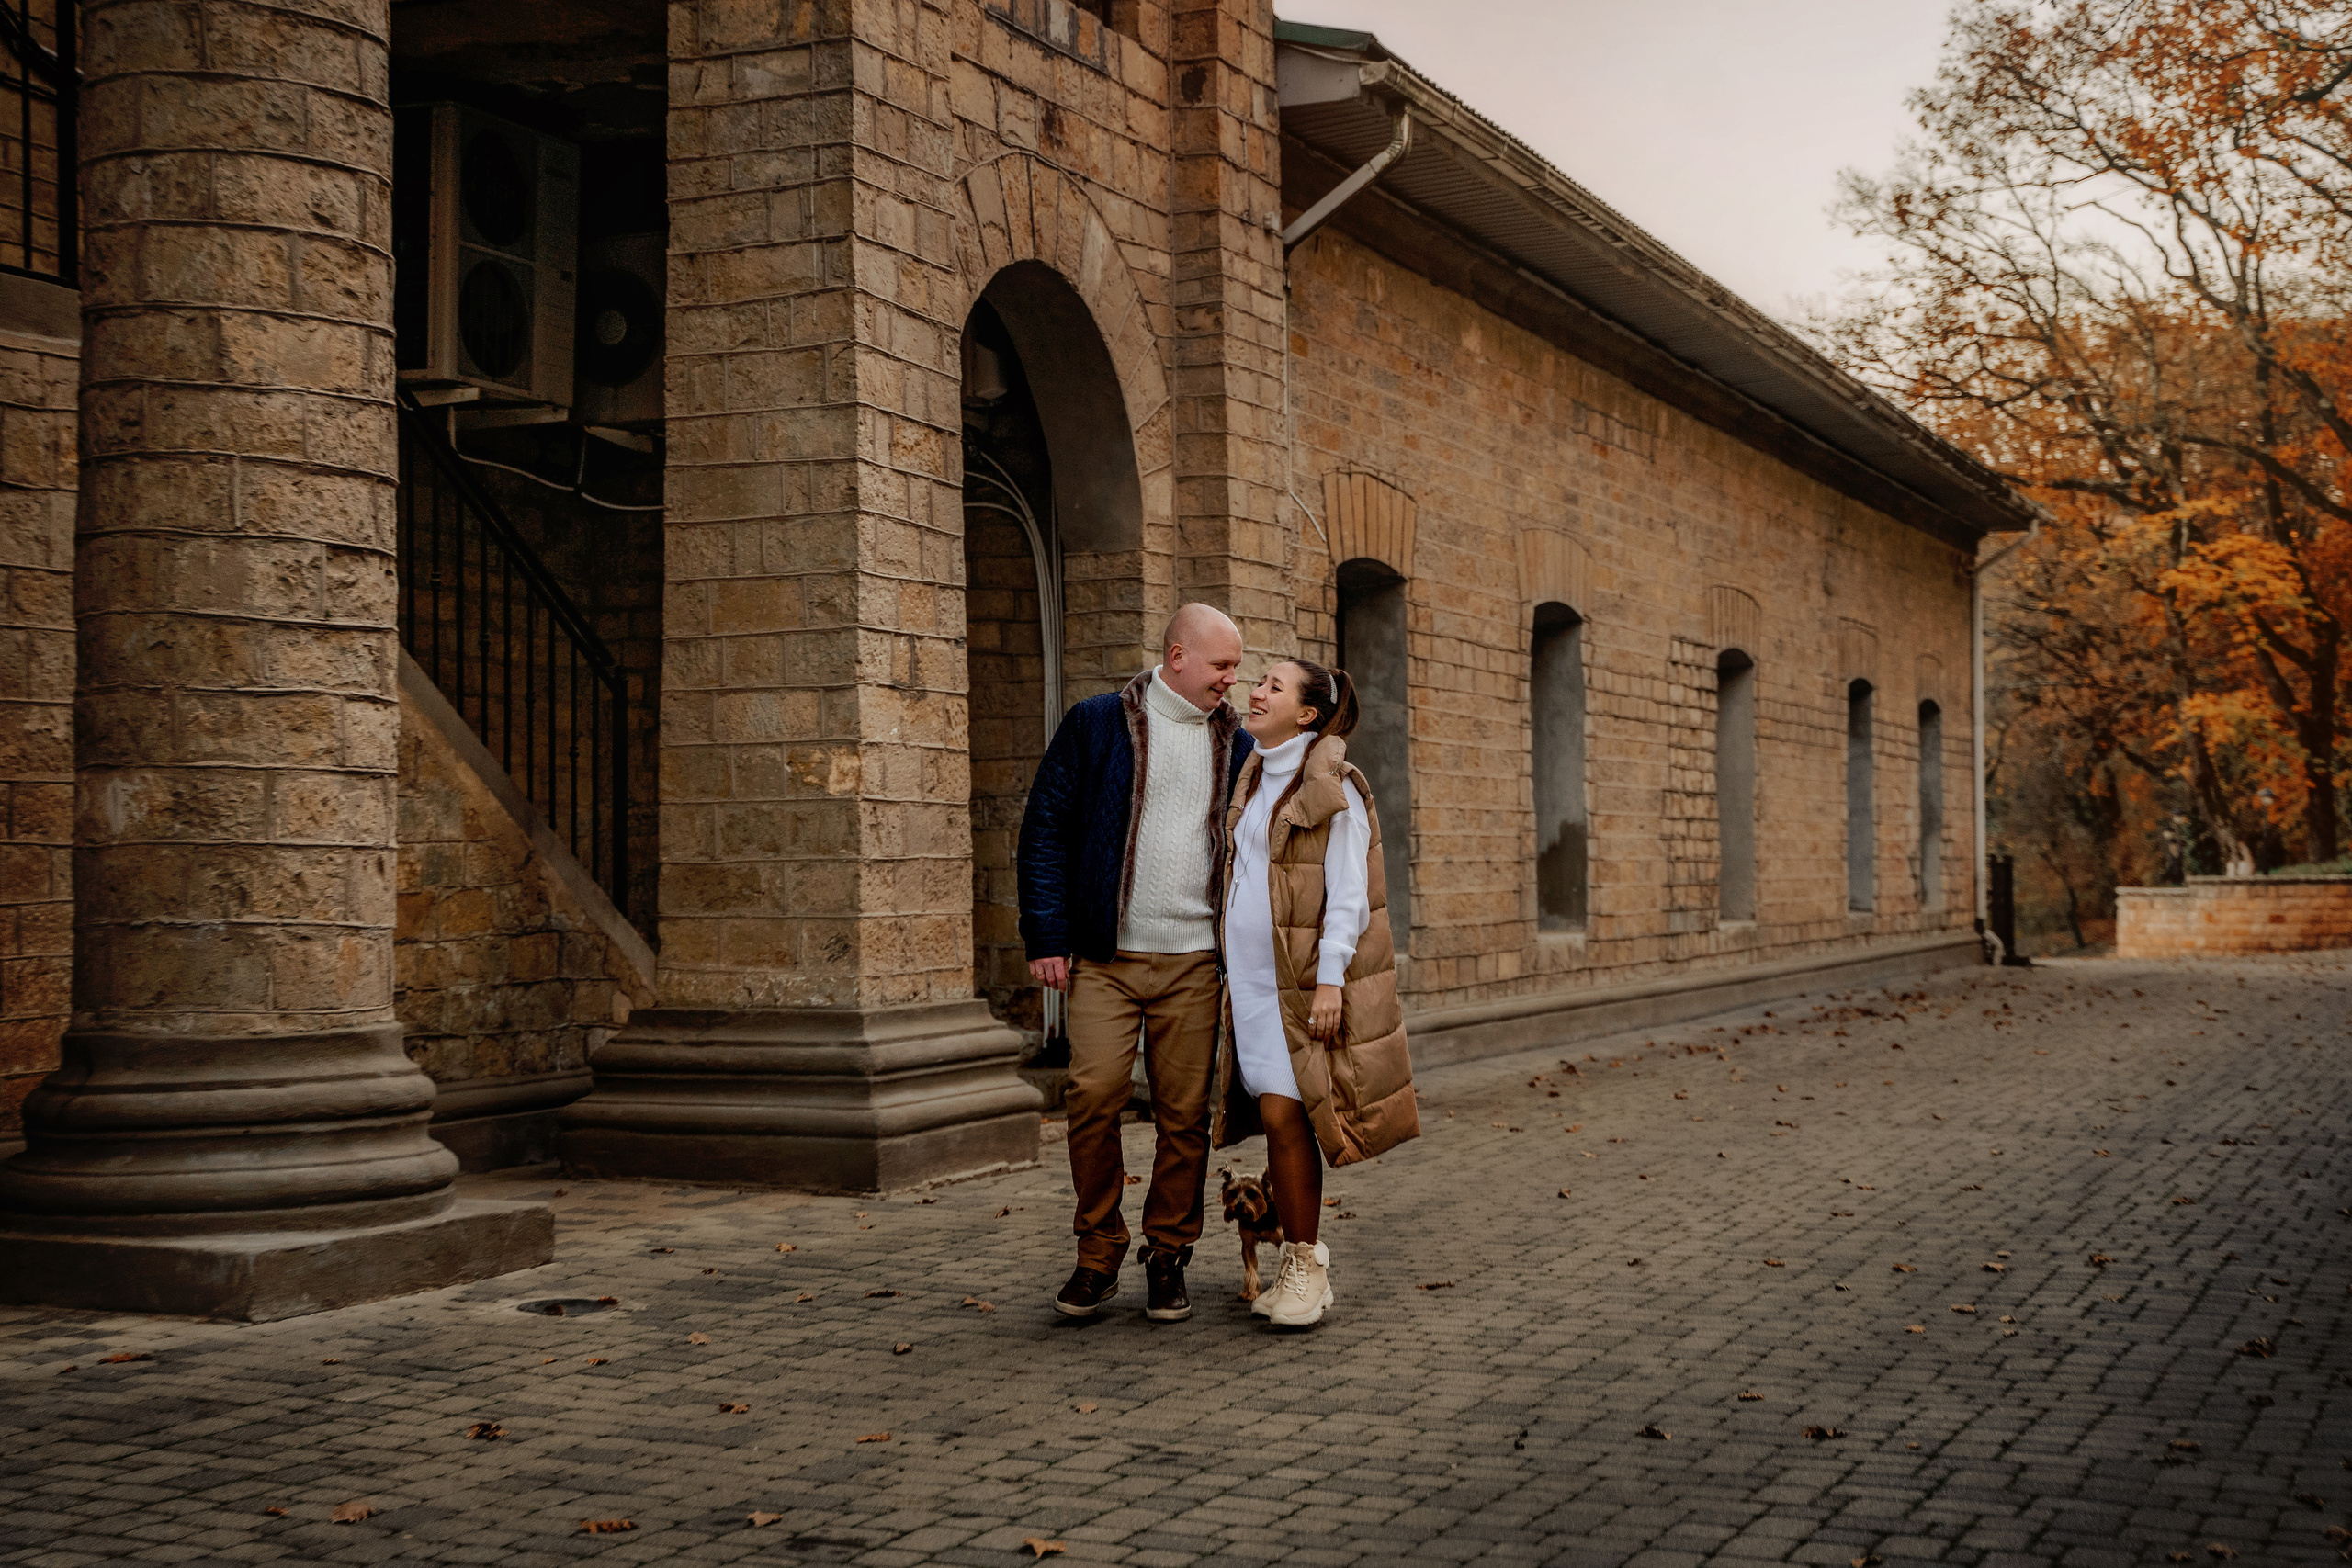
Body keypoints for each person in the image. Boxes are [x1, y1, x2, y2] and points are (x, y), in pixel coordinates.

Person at [1018, 604, 1254, 1322]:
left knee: (1184, 1113)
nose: (1232, 679)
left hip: (1195, 961)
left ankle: (1168, 1251)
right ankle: (1098, 1251)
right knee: (1092, 1095)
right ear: (1178, 657)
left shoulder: (1239, 743)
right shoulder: (1097, 722)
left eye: (1237, 667)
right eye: (1222, 665)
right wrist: (1046, 934)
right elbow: (1045, 824)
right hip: (1106, 955)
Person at [1212, 658, 1418, 1327]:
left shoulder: (1336, 788)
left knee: (1285, 1115)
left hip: (1299, 987)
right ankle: (1299, 1268)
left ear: (1306, 713)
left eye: (1274, 686)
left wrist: (1330, 979)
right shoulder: (1254, 776)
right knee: (1281, 1117)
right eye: (1259, 681)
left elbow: (1350, 894)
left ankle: (1307, 1265)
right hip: (1250, 985)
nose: (1257, 691)